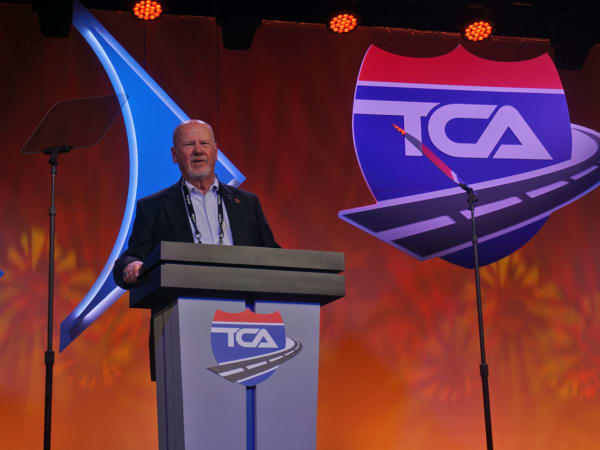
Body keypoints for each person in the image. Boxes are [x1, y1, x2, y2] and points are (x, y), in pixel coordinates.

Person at [113, 119, 279, 289]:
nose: (198, 151)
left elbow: (274, 257)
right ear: (175, 155)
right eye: (189, 144)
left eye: (204, 144)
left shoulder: (247, 203)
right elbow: (128, 260)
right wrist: (130, 267)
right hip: (182, 301)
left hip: (244, 300)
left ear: (215, 151)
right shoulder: (154, 207)